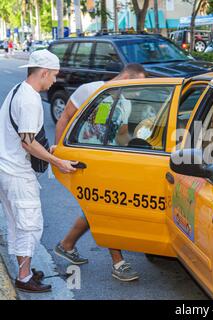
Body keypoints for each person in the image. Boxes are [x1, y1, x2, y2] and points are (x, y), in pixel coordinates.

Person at [53, 63, 146, 282]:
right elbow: (64, 118)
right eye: (137, 86)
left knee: (97, 209)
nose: (138, 92)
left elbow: (121, 136)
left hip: (107, 162)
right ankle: (118, 262)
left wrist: (140, 151)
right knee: (106, 209)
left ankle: (67, 244)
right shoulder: (90, 90)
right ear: (126, 78)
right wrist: (59, 155)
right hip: (84, 161)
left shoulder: (125, 103)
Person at [0, 49, 77, 293]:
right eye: (53, 76)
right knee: (30, 225)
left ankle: (25, 270)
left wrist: (49, 149)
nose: (54, 81)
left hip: (8, 169)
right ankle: (24, 278)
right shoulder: (30, 99)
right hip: (17, 174)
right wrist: (57, 161)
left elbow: (24, 137)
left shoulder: (18, 90)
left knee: (17, 223)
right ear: (43, 73)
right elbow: (27, 142)